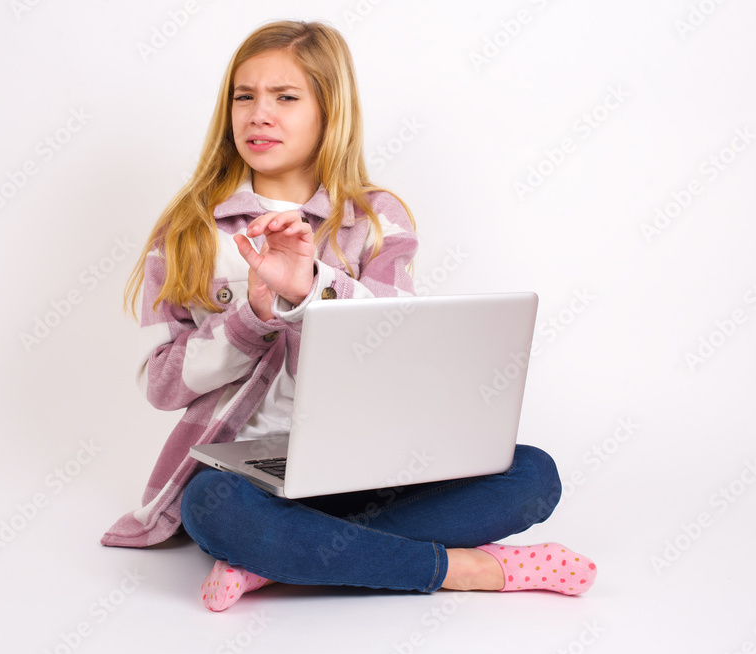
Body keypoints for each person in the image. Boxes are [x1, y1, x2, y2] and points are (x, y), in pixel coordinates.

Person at [101, 19, 597, 611]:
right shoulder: (188, 228)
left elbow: (399, 345)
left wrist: (311, 288)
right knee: (214, 510)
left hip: (368, 470)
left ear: (329, 111)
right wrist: (252, 319)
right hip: (249, 477)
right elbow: (160, 385)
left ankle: (277, 560)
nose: (260, 114)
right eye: (245, 95)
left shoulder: (377, 219)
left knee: (533, 475)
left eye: (286, 97)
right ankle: (463, 570)